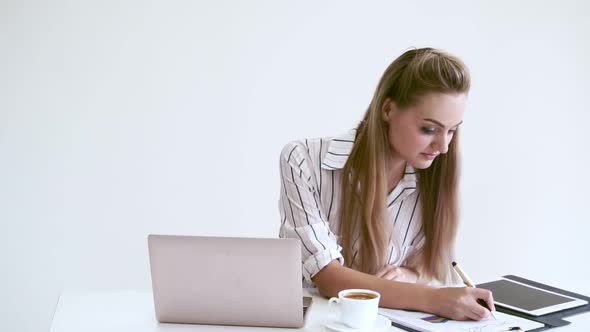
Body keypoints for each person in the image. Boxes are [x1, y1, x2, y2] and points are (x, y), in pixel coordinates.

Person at [278, 47, 495, 321]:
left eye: (451, 130)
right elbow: (328, 277)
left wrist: (410, 275)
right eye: (429, 129)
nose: (442, 146)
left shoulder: (432, 178)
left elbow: (427, 268)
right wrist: (433, 298)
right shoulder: (303, 161)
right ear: (388, 109)